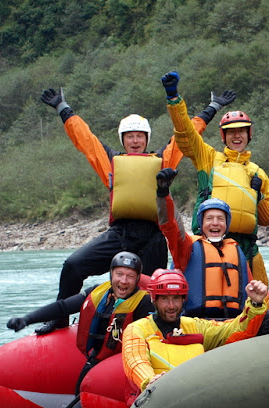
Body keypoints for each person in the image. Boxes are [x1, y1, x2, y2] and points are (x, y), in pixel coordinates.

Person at [37, 86, 231, 334]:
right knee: (73, 265)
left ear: (146, 139)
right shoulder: (111, 162)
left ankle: (156, 334)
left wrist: (212, 108)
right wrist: (62, 108)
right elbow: (85, 140)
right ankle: (61, 319)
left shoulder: (162, 160)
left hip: (153, 238)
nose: (135, 141)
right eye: (130, 136)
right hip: (120, 234)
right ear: (123, 140)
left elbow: (187, 134)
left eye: (140, 136)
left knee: (153, 292)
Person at [6, 252, 153, 408]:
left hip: (117, 372)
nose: (123, 281)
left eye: (130, 276)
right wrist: (26, 319)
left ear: (137, 279)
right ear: (111, 274)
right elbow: (63, 307)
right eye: (119, 274)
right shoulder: (97, 293)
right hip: (93, 364)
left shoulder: (144, 304)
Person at [161, 71, 269, 285]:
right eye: (231, 132)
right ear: (224, 136)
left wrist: (258, 195)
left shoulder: (258, 172)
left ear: (249, 135)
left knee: (260, 300)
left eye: (242, 131)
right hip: (206, 243)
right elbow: (186, 134)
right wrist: (174, 99)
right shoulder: (208, 159)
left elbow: (268, 218)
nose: (237, 136)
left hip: (247, 248)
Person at [154, 167, 269, 332]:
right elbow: (171, 226)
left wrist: (259, 303)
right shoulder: (187, 247)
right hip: (197, 325)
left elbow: (251, 292)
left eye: (220, 219)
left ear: (226, 225)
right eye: (209, 219)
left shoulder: (236, 250)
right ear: (201, 224)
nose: (215, 223)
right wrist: (163, 193)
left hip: (233, 324)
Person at [122, 269, 269, 393]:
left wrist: (255, 304)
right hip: (156, 397)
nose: (171, 305)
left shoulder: (195, 326)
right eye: (164, 299)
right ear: (154, 300)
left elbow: (235, 331)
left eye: (176, 298)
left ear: (183, 299)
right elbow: (135, 361)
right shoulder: (137, 329)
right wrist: (150, 380)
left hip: (194, 397)